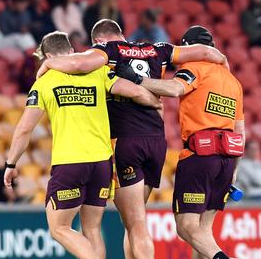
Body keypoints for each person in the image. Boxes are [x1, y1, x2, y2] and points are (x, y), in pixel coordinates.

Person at [35, 20, 229, 259]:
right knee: (134, 222)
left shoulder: (107, 51)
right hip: (157, 142)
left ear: (99, 41)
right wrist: (223, 62)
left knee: (136, 224)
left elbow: (77, 62)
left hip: (126, 141)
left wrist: (48, 63)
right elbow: (206, 52)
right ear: (122, 35)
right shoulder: (158, 49)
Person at [3, 31, 162, 259]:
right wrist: (156, 104)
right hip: (102, 163)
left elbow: (24, 129)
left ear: (48, 56)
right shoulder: (98, 72)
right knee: (92, 229)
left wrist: (11, 163)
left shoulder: (45, 82)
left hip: (70, 163)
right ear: (70, 52)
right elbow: (135, 91)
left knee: (59, 228)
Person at [113, 25, 244, 259]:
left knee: (186, 226)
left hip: (200, 157)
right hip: (227, 161)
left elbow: (173, 89)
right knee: (203, 233)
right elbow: (240, 129)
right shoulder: (233, 81)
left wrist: (136, 79)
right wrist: (234, 168)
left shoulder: (193, 68)